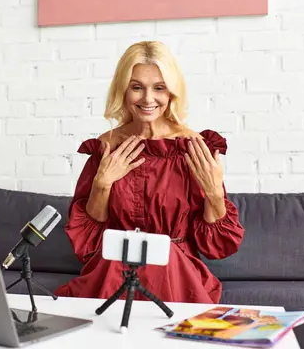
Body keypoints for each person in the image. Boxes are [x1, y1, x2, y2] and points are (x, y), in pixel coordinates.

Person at [54, 41, 244, 304]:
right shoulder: (107, 146)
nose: (147, 99)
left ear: (171, 93)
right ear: (123, 90)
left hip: (174, 269)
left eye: (159, 88)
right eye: (136, 87)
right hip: (115, 266)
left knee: (164, 256)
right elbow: (89, 244)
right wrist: (102, 184)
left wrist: (213, 193)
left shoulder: (193, 147)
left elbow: (218, 245)